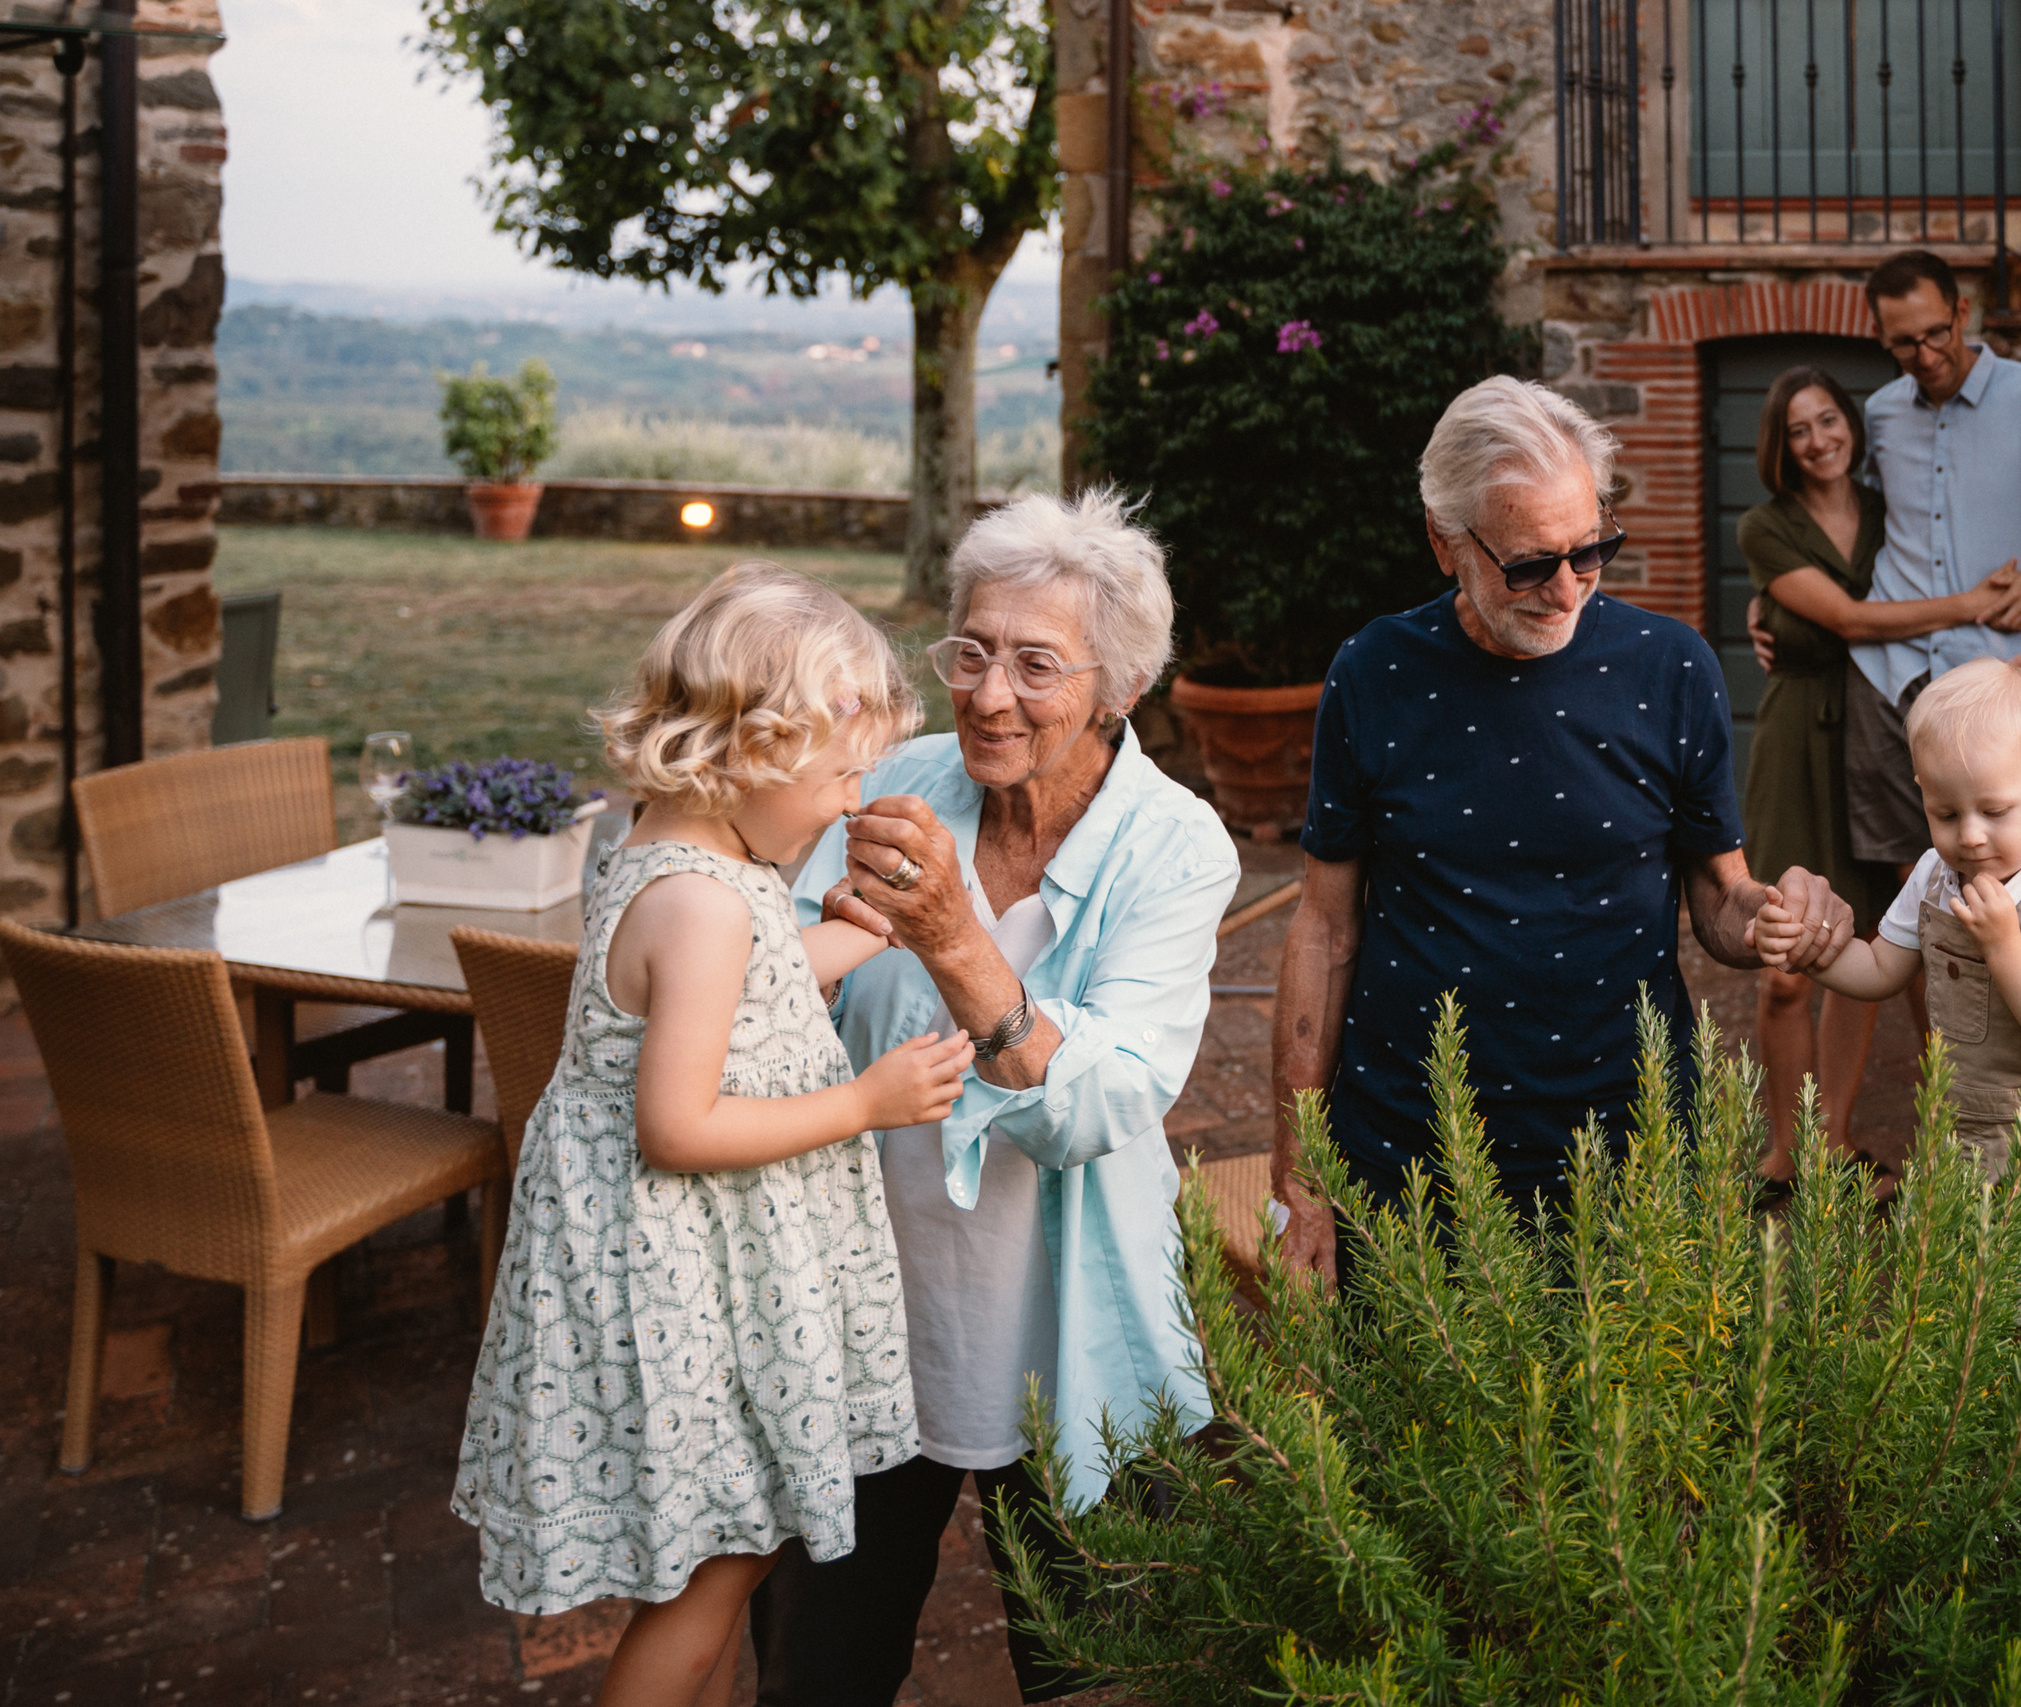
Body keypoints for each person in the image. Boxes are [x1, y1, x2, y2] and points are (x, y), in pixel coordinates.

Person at [453, 565, 975, 1707]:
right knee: (714, 1569)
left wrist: (863, 938)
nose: (849, 807)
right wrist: (865, 1104)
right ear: (756, 749)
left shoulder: (685, 859)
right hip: (679, 1289)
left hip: (687, 1273)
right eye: (841, 777)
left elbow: (754, 986)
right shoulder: (699, 903)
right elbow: (679, 1125)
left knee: (720, 1559)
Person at [754, 489, 1238, 1707]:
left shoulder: (1177, 848)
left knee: (1095, 1667)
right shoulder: (893, 784)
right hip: (867, 1310)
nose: (985, 694)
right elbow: (776, 1006)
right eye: (968, 650)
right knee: (819, 1661)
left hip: (1071, 1317)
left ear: (1117, 685)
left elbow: (1100, 1104)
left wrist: (956, 939)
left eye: (1033, 664)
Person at [1270, 376, 1857, 1284]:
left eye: (1591, 552)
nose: (1568, 589)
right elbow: (1324, 926)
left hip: (1634, 1145)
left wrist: (1780, 913)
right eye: (1531, 563)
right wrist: (1301, 1168)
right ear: (1444, 542)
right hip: (1413, 1154)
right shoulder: (1375, 672)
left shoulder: (1672, 668)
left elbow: (1719, 898)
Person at [1736, 366, 2021, 1184]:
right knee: (1784, 964)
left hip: (1874, 743)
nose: (1819, 439)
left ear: (1851, 426)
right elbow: (1844, 618)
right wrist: (1968, 605)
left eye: (1829, 419)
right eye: (1799, 428)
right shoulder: (1764, 527)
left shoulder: (1885, 512)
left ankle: (1831, 1138)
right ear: (1782, 444)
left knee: (1864, 944)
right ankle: (1783, 1152)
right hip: (1797, 747)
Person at [1753, 658, 2021, 1312]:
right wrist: (1809, 952)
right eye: (1946, 812)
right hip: (1953, 1138)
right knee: (1951, 1299)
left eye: (1995, 810)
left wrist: (2005, 944)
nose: (1971, 836)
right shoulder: (1933, 874)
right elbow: (1877, 970)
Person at [1836, 248, 2021, 874]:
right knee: (1900, 884)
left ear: (1963, 312)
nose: (1928, 355)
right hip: (1886, 675)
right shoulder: (1880, 413)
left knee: (2001, 874)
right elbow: (1846, 528)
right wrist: (1771, 603)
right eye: (1905, 343)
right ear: (1879, 335)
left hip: (1995, 679)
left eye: (1939, 332)